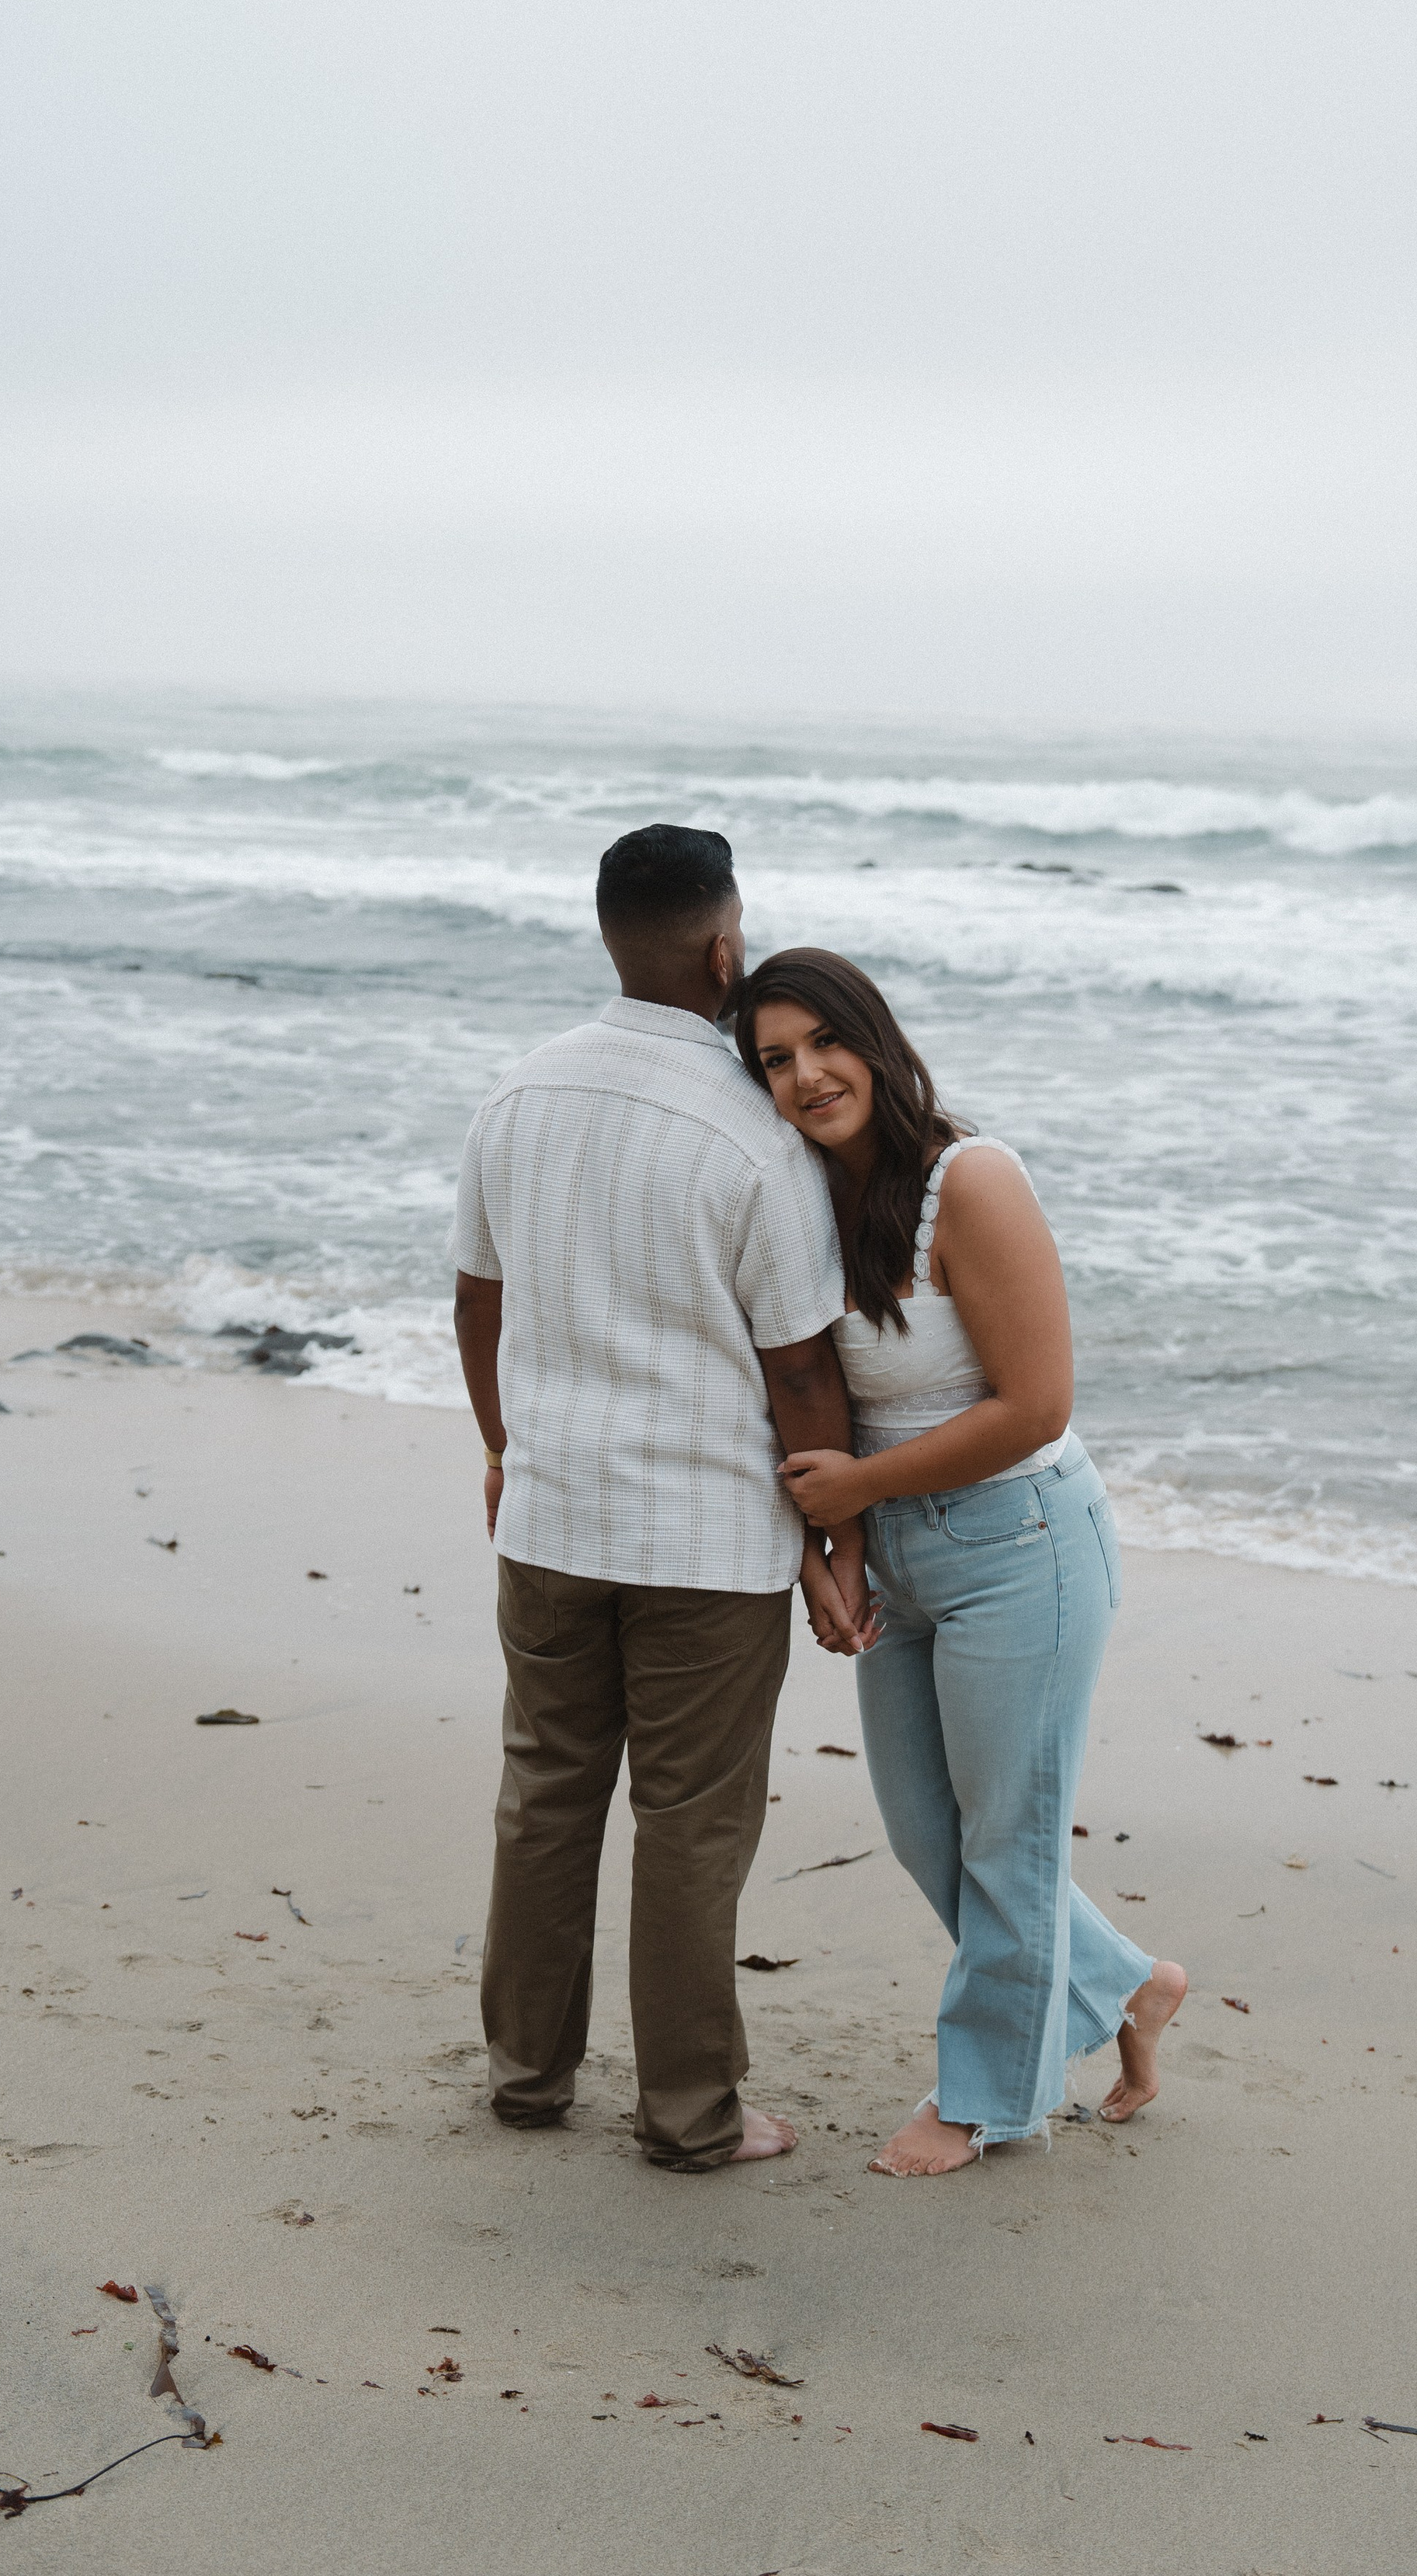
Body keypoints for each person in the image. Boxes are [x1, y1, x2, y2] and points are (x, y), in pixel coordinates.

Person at [449, 828, 873, 2173]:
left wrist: (506, 1444)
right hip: (703, 1535)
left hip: (555, 1513)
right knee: (692, 1826)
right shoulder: (756, 1137)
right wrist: (836, 1537)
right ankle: (691, 2116)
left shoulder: (518, 1092)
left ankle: (526, 2077)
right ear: (725, 949)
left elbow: (478, 1298)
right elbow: (802, 1365)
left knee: (546, 1794)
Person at [735, 947, 1188, 2179]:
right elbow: (809, 1391)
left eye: (822, 1042)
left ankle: (987, 2099)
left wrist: (863, 1494)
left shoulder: (969, 1181)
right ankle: (1131, 1987)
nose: (805, 1075)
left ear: (870, 1038)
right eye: (774, 1059)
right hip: (901, 1557)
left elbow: (1036, 1403)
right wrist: (839, 1548)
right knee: (931, 1834)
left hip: (1020, 1544)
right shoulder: (802, 1201)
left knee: (1009, 1839)